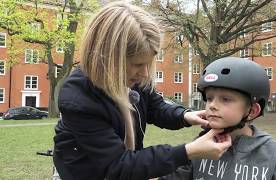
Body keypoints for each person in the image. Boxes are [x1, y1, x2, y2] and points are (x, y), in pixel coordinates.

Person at [52, 1, 232, 180]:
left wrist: (185, 116)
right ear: (108, 58)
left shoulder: (132, 78)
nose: (145, 73)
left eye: (148, 63)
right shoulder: (79, 100)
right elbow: (118, 166)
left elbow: (156, 108)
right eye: (138, 64)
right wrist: (188, 151)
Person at [159, 57, 276, 180]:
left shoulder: (275, 154)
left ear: (252, 110)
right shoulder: (200, 146)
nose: (212, 105)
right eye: (209, 98)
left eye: (225, 99)